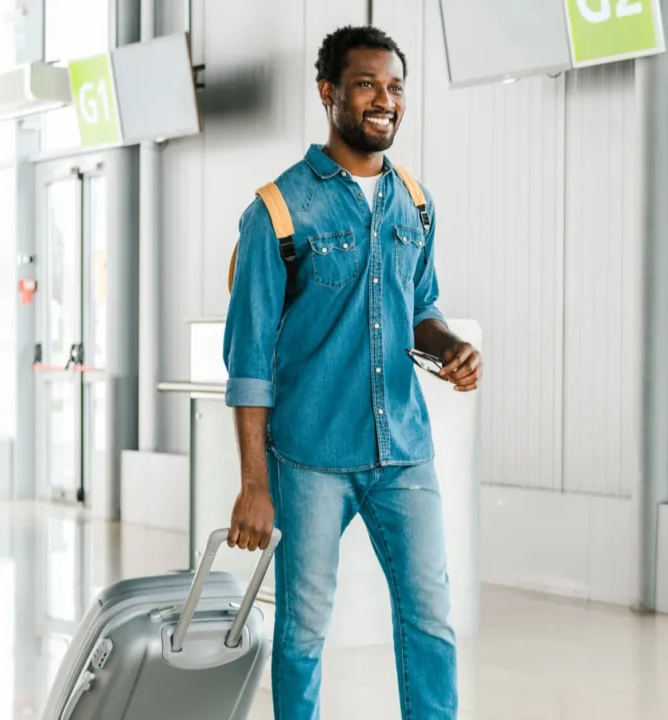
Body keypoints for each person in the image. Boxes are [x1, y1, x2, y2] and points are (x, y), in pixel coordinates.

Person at [221, 24, 481, 720]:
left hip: (404, 447)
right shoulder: (276, 211)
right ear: (329, 93)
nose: (384, 100)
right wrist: (253, 485)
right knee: (304, 631)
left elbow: (418, 306)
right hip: (309, 455)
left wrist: (447, 344)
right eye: (366, 84)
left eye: (395, 87)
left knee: (431, 621)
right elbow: (247, 362)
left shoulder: (416, 203)